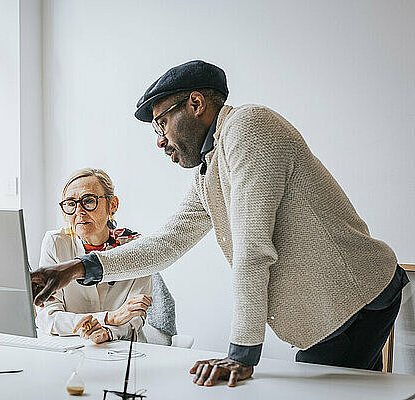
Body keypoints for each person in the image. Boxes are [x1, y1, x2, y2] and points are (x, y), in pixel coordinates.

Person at [31, 60, 408, 387]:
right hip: (336, 305)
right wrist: (78, 267)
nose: (160, 141)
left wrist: (242, 353)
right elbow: (166, 244)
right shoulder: (209, 169)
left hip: (354, 298)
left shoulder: (249, 128)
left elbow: (252, 247)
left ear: (195, 104)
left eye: (162, 123)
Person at [36, 167, 156, 343]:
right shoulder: (55, 243)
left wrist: (108, 332)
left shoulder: (137, 248)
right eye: (70, 203)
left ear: (112, 205)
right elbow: (48, 316)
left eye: (89, 201)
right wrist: (109, 318)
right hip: (71, 346)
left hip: (124, 349)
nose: (79, 211)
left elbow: (136, 315)